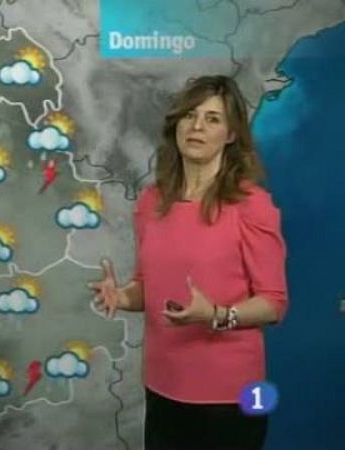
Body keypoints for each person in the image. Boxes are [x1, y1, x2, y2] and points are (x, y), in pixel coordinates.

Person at [88, 75, 288, 450]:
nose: (197, 127)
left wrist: (216, 315)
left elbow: (273, 303)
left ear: (231, 135)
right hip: (163, 386)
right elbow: (150, 286)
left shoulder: (251, 205)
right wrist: (124, 296)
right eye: (190, 115)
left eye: (212, 119)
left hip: (230, 396)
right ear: (176, 124)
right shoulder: (152, 202)